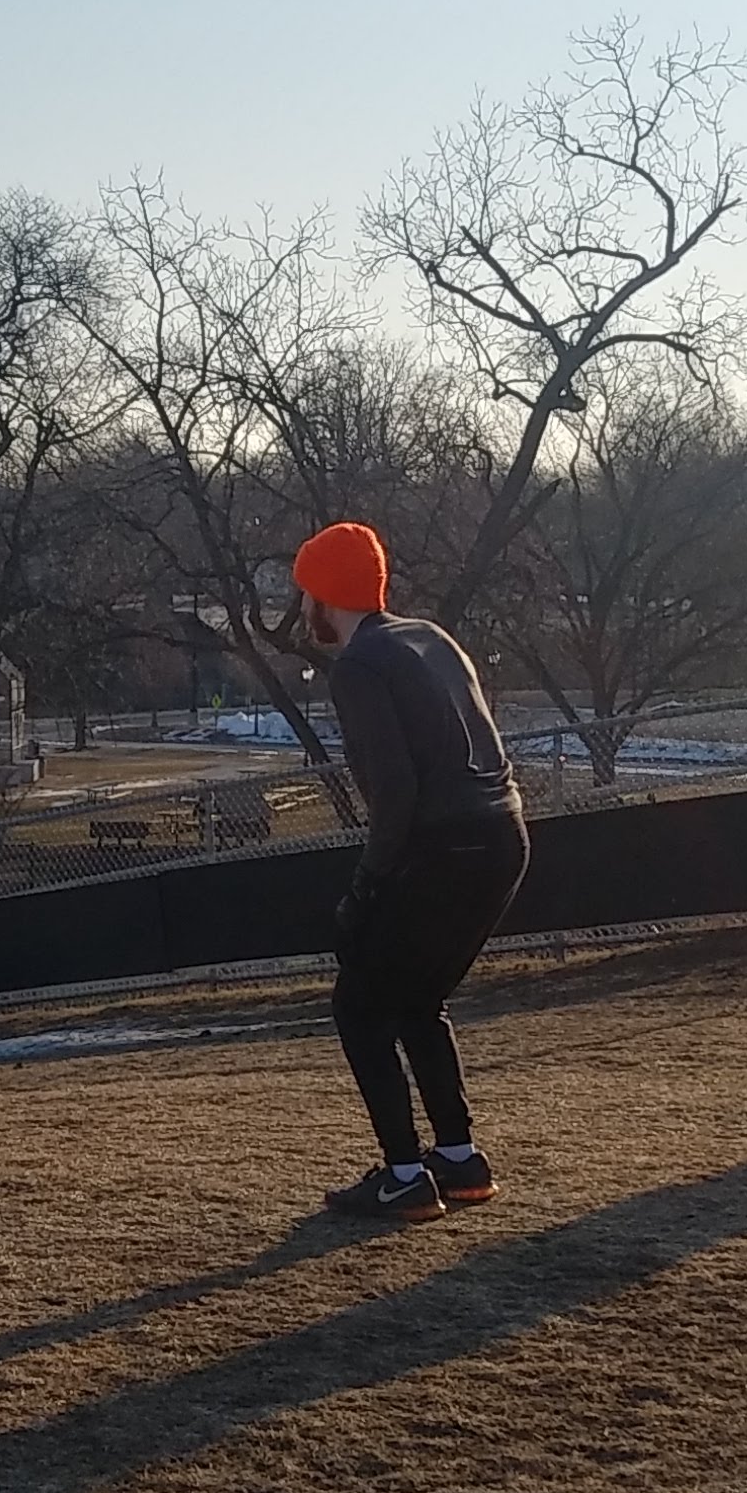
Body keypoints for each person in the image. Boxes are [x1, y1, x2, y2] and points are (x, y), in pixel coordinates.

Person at [294, 521, 531, 1227]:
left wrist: (366, 889)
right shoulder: (432, 638)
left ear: (323, 596)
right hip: (505, 834)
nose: (302, 607)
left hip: (442, 845)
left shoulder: (359, 666)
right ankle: (458, 1159)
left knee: (359, 1005)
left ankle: (404, 1177)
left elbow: (394, 790)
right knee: (419, 999)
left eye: (305, 592)